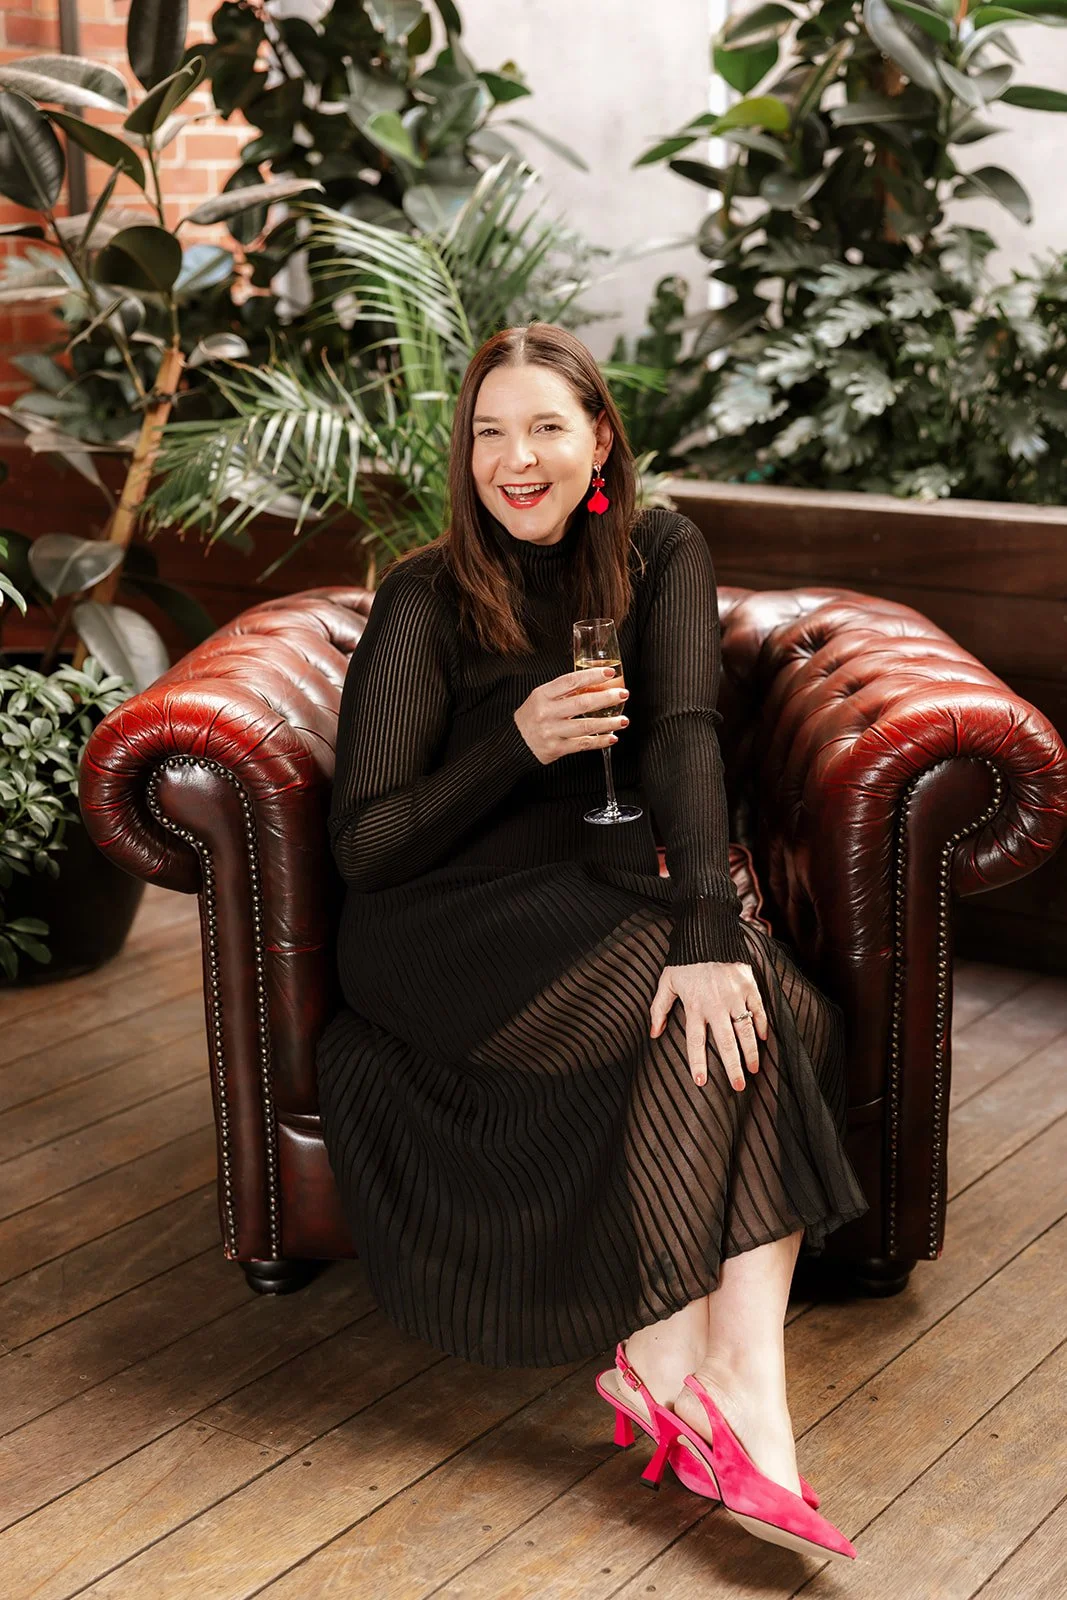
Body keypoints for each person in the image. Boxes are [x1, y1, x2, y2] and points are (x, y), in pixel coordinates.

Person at [315, 322, 869, 1562]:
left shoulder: (657, 548)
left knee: (757, 1000)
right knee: (735, 1009)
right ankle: (702, 1377)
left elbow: (677, 736)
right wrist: (516, 742)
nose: (517, 459)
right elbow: (367, 842)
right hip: (438, 924)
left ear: (599, 437)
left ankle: (708, 1370)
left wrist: (709, 924)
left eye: (547, 427)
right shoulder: (420, 595)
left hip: (592, 892)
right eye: (489, 432)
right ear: (464, 454)